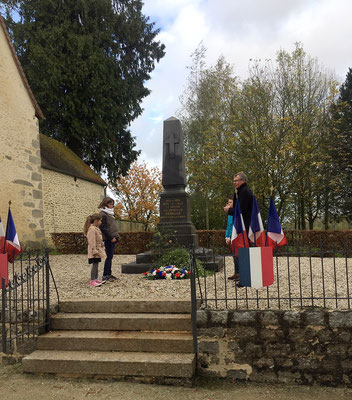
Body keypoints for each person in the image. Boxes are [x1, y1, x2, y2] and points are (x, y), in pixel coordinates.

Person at [224, 172, 253, 282]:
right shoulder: (240, 191)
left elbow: (241, 210)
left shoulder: (245, 192)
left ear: (243, 181)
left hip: (244, 226)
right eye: (234, 181)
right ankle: (238, 273)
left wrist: (229, 210)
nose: (234, 183)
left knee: (242, 250)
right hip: (240, 225)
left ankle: (243, 276)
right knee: (237, 249)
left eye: (236, 180)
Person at [98, 197, 120, 282]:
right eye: (110, 204)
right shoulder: (103, 214)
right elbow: (103, 228)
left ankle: (109, 273)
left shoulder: (109, 214)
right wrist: (111, 237)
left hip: (112, 237)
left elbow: (112, 226)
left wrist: (116, 236)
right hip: (108, 238)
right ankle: (105, 275)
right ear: (105, 204)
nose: (112, 206)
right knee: (109, 256)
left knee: (110, 257)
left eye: (112, 204)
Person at [84, 214, 106, 287]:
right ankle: (92, 281)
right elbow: (91, 240)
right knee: (95, 265)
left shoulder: (96, 228)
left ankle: (96, 279)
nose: (101, 222)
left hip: (98, 249)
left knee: (96, 264)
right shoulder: (92, 229)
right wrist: (94, 250)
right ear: (96, 221)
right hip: (94, 250)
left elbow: (99, 239)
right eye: (100, 221)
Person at [224, 197, 239, 282]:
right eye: (228, 202)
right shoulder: (230, 213)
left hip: (236, 235)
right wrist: (227, 236)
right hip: (231, 236)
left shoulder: (235, 212)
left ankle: (240, 273)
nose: (228, 204)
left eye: (230, 202)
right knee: (234, 255)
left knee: (238, 255)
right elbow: (229, 225)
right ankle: (236, 272)